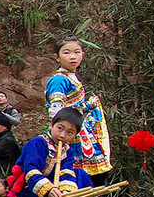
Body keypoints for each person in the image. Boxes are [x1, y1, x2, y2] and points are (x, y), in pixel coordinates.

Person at [12, 107, 99, 197]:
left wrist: (65, 193)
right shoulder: (37, 143)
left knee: (80, 173)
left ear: (75, 135)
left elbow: (66, 173)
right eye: (60, 128)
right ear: (52, 124)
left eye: (69, 132)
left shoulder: (69, 151)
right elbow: (31, 170)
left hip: (57, 188)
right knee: (30, 183)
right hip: (32, 189)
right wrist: (49, 189)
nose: (62, 135)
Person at [46, 34, 111, 177]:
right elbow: (57, 112)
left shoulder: (71, 77)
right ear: (57, 57)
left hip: (80, 131)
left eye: (77, 52)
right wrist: (87, 106)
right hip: (70, 134)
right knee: (74, 173)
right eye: (67, 52)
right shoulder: (59, 80)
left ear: (83, 55)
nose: (73, 57)